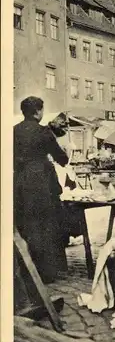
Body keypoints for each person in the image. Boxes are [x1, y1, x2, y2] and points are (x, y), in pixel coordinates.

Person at [14, 96, 69, 284]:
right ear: (38, 111)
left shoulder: (14, 131)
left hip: (20, 183)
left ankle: (25, 272)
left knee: (25, 226)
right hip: (41, 184)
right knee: (45, 227)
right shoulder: (43, 132)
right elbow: (62, 159)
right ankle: (45, 273)